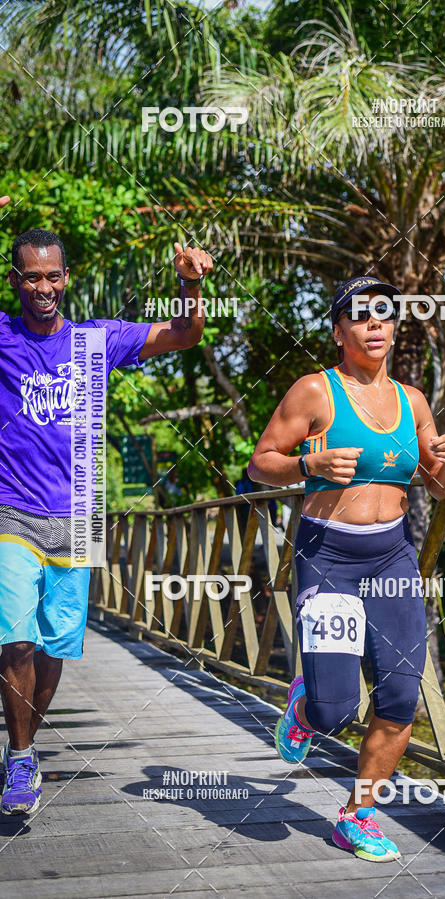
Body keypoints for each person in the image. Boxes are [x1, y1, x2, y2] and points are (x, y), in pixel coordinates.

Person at [0, 193, 213, 815]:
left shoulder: (97, 340)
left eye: (52, 275)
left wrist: (189, 284)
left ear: (66, 279)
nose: (42, 286)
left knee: (54, 647)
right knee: (12, 638)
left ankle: (25, 749)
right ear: (15, 279)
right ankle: (18, 757)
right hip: (10, 509)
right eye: (30, 275)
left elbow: (185, 333)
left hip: (80, 513)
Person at [248, 276, 445, 862]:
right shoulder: (315, 392)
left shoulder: (412, 400)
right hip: (329, 556)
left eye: (385, 315)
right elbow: (259, 464)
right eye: (360, 315)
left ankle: (357, 814)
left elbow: (439, 491)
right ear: (339, 329)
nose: (375, 324)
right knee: (336, 710)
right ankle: (306, 705)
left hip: (391, 557)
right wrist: (308, 462)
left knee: (399, 697)